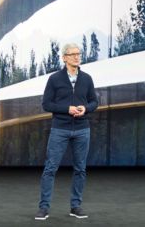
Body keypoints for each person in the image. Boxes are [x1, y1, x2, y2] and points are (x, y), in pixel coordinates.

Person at [35, 43, 98, 221]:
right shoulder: (54, 79)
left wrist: (85, 108)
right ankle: (44, 208)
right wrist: (67, 109)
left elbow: (94, 102)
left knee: (80, 169)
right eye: (73, 54)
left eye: (79, 54)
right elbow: (46, 104)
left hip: (82, 129)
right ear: (64, 58)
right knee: (50, 169)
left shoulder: (87, 78)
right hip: (60, 129)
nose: (77, 57)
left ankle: (75, 206)